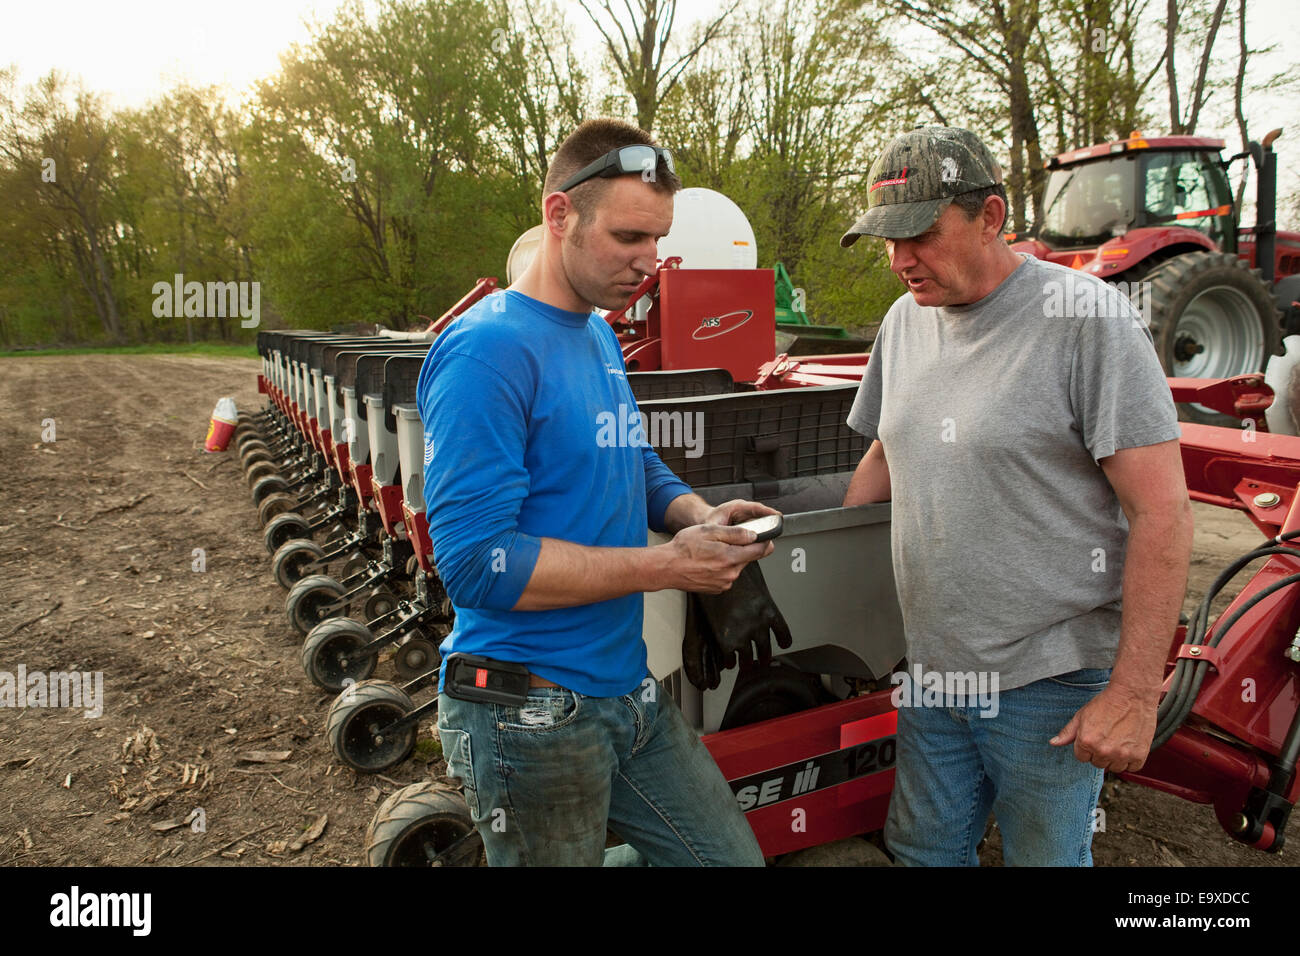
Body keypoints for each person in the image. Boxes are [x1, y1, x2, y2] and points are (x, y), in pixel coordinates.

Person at [415, 118, 774, 866]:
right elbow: (480, 565)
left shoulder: (596, 332)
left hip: (626, 690)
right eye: (630, 237)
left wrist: (699, 516)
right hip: (528, 712)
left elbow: (631, 461)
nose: (651, 261)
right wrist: (670, 567)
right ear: (560, 215)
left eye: (659, 238)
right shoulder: (488, 351)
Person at [839, 126, 1194, 866]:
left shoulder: (1086, 323)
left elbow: (1162, 511)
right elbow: (885, 450)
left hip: (1049, 679)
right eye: (888, 242)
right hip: (933, 668)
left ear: (991, 217)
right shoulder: (905, 320)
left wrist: (1134, 694)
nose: (902, 261)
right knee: (924, 853)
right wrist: (807, 568)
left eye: (923, 235)